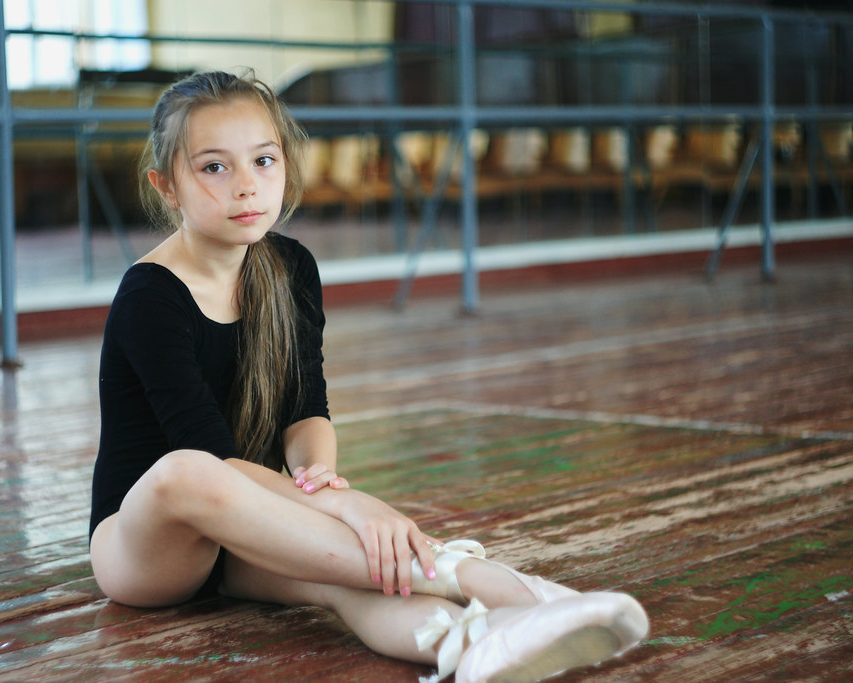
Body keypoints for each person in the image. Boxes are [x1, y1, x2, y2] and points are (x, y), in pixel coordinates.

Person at [88, 69, 649, 682]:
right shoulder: (150, 297)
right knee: (185, 470)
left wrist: (319, 486)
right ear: (167, 186)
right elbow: (212, 458)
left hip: (249, 522)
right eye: (215, 167)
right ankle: (491, 582)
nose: (246, 185)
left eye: (264, 161)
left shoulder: (290, 267)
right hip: (151, 548)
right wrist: (345, 505)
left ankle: (478, 643)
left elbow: (306, 406)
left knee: (351, 583)